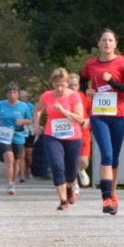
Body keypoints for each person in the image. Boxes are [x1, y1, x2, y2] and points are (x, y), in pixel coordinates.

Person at [81, 29, 124, 215]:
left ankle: (113, 194)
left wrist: (112, 82)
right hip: (98, 114)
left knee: (114, 158)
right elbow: (83, 81)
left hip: (119, 115)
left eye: (110, 40)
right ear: (98, 43)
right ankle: (105, 198)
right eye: (104, 40)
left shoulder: (123, 62)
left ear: (115, 44)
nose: (107, 43)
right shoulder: (91, 64)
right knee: (106, 155)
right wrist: (85, 91)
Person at [36, 68, 88, 211]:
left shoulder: (74, 96)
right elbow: (37, 109)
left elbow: (80, 118)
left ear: (67, 83)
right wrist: (36, 124)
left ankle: (70, 188)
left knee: (71, 170)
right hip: (52, 136)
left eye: (62, 85)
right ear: (52, 83)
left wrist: (63, 111)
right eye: (56, 85)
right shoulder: (47, 95)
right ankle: (63, 200)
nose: (59, 88)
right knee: (57, 166)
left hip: (73, 137)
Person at [0, 84, 34, 194]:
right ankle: (9, 184)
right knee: (9, 158)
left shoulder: (23, 106)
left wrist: (22, 121)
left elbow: (30, 120)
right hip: (5, 134)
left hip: (18, 136)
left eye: (14, 92)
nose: (12, 95)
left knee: (16, 162)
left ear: (18, 94)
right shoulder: (1, 104)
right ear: (6, 94)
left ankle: (13, 182)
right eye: (10, 92)